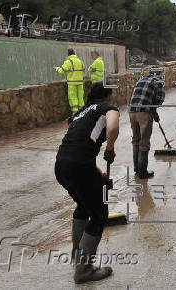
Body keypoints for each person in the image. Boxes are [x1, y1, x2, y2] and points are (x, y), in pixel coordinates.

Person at [54, 81, 119, 284]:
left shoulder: (81, 112)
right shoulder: (108, 108)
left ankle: (78, 256)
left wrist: (96, 172)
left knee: (83, 206)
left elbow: (80, 143)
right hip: (79, 166)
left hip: (62, 165)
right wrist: (110, 148)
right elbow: (113, 126)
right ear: (107, 97)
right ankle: (83, 271)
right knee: (99, 214)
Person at [129, 69, 165, 179]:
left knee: (136, 140)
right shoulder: (159, 82)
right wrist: (154, 113)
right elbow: (158, 100)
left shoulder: (141, 79)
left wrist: (154, 114)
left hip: (132, 112)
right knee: (144, 142)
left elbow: (142, 98)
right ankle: (143, 172)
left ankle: (137, 169)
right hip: (144, 113)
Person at [56, 48, 86, 115]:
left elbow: (62, 71)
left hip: (72, 83)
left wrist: (57, 68)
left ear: (68, 54)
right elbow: (83, 70)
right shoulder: (80, 61)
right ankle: (83, 113)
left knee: (73, 98)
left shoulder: (68, 61)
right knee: (81, 98)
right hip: (80, 83)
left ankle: (75, 114)